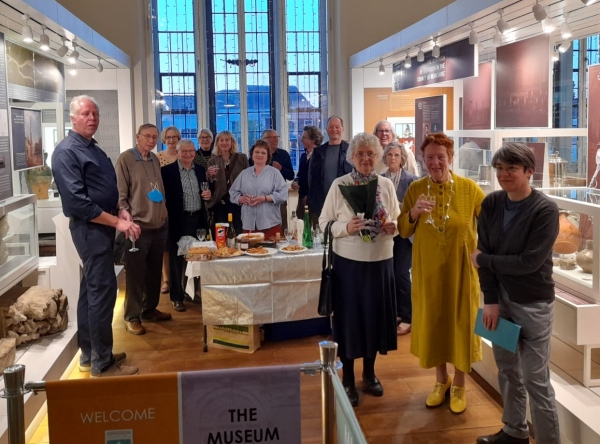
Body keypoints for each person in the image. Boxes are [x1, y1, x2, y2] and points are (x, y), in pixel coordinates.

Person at [471, 143, 560, 444]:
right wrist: (491, 301)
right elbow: (485, 251)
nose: (503, 174)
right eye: (499, 168)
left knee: (536, 379)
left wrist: (484, 260)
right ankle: (514, 431)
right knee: (507, 370)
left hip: (532, 303)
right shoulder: (492, 203)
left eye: (511, 168)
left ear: (529, 172)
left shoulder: (545, 209)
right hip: (499, 303)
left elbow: (529, 263)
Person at [52, 95, 140, 377]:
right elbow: (79, 203)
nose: (92, 119)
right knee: (103, 293)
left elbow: (105, 190)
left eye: (95, 114)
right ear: (73, 118)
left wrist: (120, 211)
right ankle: (103, 364)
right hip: (89, 229)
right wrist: (117, 222)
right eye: (86, 114)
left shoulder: (92, 148)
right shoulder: (67, 152)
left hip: (101, 226)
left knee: (90, 290)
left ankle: (90, 354)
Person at [398, 132, 485, 415]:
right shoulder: (415, 189)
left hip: (461, 273)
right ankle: (440, 380)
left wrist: (482, 252)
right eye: (430, 158)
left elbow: (490, 224)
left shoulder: (469, 189)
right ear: (423, 160)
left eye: (441, 157)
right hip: (427, 272)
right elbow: (403, 229)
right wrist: (413, 213)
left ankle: (460, 383)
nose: (435, 163)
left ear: (451, 158)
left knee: (460, 323)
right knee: (434, 323)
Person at [318, 132, 399, 408]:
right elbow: (323, 223)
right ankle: (349, 378)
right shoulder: (340, 185)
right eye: (360, 154)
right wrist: (346, 228)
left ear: (378, 158)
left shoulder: (386, 185)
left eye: (371, 154)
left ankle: (370, 373)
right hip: (349, 266)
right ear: (352, 158)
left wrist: (393, 227)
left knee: (375, 319)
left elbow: (397, 218)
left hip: (380, 261)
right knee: (351, 322)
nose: (366, 158)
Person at [116, 123, 170, 336]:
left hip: (158, 225)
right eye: (147, 136)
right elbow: (120, 195)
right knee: (136, 275)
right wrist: (126, 218)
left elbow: (157, 191)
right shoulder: (126, 159)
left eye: (154, 137)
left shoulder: (155, 159)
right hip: (137, 228)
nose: (151, 140)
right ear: (137, 137)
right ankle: (132, 316)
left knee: (154, 272)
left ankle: (149, 309)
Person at [162, 139, 212, 313]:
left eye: (191, 151)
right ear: (177, 152)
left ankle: (193, 293)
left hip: (198, 219)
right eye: (184, 151)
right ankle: (177, 297)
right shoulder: (167, 172)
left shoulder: (200, 169)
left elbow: (206, 191)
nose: (189, 154)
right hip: (179, 220)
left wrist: (208, 194)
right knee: (177, 261)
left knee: (198, 257)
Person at [380, 141, 417, 336]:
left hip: (403, 233)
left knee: (402, 273)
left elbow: (415, 208)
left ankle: (408, 315)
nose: (393, 158)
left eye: (396, 155)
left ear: (402, 159)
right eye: (389, 155)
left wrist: (399, 207)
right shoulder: (379, 179)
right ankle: (394, 312)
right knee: (388, 273)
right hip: (385, 234)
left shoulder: (412, 180)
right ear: (384, 158)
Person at [230, 139, 288, 238]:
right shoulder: (244, 173)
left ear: (268, 156)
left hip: (270, 223)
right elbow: (232, 192)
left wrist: (265, 198)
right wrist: (241, 199)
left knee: (272, 251)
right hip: (249, 224)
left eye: (263, 153)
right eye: (256, 152)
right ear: (252, 154)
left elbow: (283, 194)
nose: (259, 155)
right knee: (249, 251)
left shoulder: (275, 173)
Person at [308, 116, 353, 225]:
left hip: (345, 203)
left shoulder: (351, 150)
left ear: (343, 129)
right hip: (321, 203)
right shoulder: (318, 152)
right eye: (331, 127)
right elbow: (310, 177)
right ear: (327, 130)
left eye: (337, 127)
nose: (334, 130)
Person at [206, 131, 248, 234]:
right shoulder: (212, 160)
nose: (224, 143)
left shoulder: (242, 158)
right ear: (217, 143)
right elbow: (209, 184)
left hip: (237, 202)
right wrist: (209, 175)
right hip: (220, 202)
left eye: (227, 140)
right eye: (221, 140)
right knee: (221, 233)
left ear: (232, 142)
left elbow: (248, 178)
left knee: (238, 231)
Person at [157, 125, 181, 294]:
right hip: (164, 206)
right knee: (166, 246)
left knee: (181, 244)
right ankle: (166, 280)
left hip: (182, 206)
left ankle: (181, 279)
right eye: (168, 137)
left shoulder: (184, 155)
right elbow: (154, 184)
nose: (171, 140)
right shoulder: (158, 157)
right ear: (164, 139)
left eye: (174, 137)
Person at [259, 129, 294, 231]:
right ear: (264, 140)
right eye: (272, 137)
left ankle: (283, 245)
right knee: (263, 227)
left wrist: (281, 169)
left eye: (276, 137)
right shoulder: (257, 155)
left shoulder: (284, 154)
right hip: (261, 197)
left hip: (279, 196)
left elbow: (291, 176)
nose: (276, 140)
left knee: (282, 225)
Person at [292, 125, 323, 221]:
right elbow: (300, 175)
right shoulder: (303, 156)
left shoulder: (321, 157)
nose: (301, 140)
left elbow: (320, 180)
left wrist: (309, 197)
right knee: (302, 227)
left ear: (313, 140)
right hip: (302, 199)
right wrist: (296, 181)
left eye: (304, 137)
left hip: (315, 202)